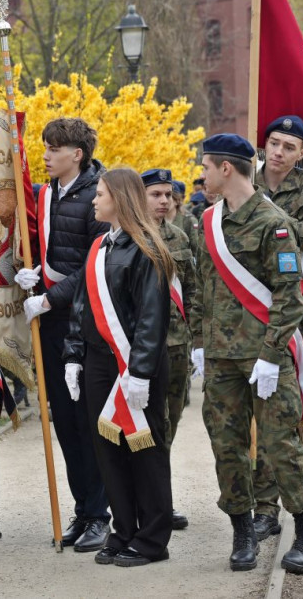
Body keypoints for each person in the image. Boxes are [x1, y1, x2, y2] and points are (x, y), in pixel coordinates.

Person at [194, 133, 303, 575]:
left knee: (279, 445)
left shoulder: (273, 222)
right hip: (221, 361)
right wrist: (200, 345)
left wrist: (271, 356)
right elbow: (201, 290)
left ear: (226, 169)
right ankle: (242, 531)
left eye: (207, 167)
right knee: (227, 448)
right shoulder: (208, 222)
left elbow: (290, 298)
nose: (203, 174)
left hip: (263, 359)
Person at [64, 168, 176, 568]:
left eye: (100, 193)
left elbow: (151, 318)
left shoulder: (147, 248)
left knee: (144, 449)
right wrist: (73, 356)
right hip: (98, 362)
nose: (94, 200)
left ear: (121, 198)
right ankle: (124, 529)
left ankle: (152, 539)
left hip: (134, 366)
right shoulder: (99, 247)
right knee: (108, 449)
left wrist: (141, 372)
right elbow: (81, 308)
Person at [15, 117, 111, 552]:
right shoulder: (45, 193)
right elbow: (47, 250)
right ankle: (84, 509)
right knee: (66, 425)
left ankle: (102, 513)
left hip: (86, 325)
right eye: (44, 147)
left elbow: (94, 264)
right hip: (53, 324)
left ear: (77, 153)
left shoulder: (98, 195)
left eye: (54, 149)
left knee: (88, 423)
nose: (46, 155)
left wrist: (51, 297)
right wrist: (28, 276)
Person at [252, 115, 303, 540]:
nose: (279, 152)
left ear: (302, 153)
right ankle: (264, 508)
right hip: (248, 307)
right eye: (273, 143)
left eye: (289, 146)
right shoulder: (240, 179)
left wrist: (268, 212)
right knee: (258, 408)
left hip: (297, 310)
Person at [141, 169, 196, 531]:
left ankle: (163, 502)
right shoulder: (129, 238)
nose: (164, 201)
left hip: (176, 348)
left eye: (168, 195)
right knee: (141, 428)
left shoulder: (178, 238)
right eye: (156, 194)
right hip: (140, 350)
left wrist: (197, 343)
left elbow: (191, 291)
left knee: (168, 427)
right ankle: (139, 502)